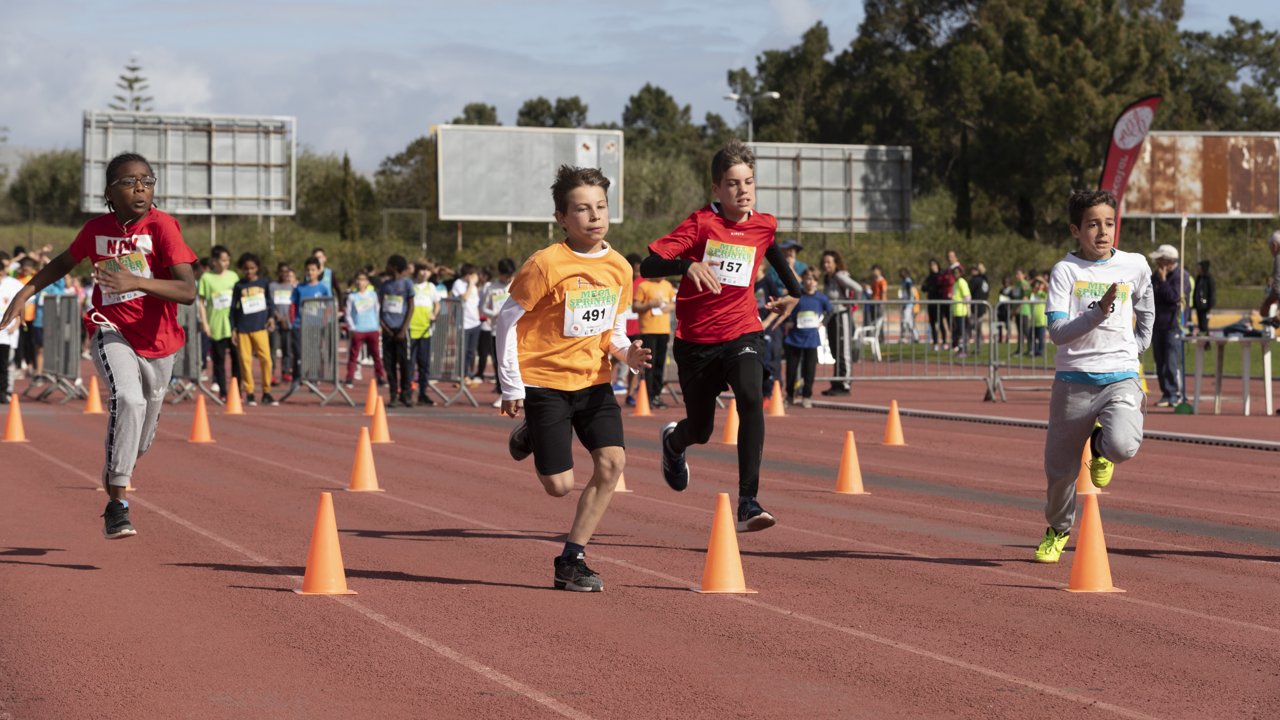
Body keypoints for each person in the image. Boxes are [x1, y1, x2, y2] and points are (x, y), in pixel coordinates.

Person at [1, 152, 198, 539]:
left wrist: (137, 282)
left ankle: (116, 470)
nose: (140, 186)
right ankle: (117, 505)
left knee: (141, 438)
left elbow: (187, 290)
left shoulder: (164, 228)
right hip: (111, 330)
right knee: (129, 400)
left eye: (147, 179)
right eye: (129, 181)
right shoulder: (96, 230)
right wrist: (24, 292)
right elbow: (61, 263)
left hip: (160, 343)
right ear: (110, 191)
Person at [497, 164, 651, 592]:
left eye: (601, 206)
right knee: (559, 486)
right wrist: (511, 386)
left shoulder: (620, 267)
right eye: (582, 209)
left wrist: (628, 354)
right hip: (545, 382)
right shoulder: (545, 264)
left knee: (613, 463)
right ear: (562, 218)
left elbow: (614, 331)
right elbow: (506, 323)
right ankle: (530, 431)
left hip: (594, 380)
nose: (595, 216)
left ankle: (572, 559)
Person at [641, 139, 801, 533]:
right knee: (702, 429)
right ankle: (674, 444)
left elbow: (772, 251)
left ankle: (748, 502)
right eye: (732, 183)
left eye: (748, 181)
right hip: (696, 341)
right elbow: (648, 264)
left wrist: (794, 292)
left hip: (741, 331)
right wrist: (687, 264)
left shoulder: (763, 224)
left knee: (750, 396)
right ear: (716, 189)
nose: (743, 190)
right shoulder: (700, 225)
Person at [1034, 189, 1153, 563]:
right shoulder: (1065, 271)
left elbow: (1147, 307)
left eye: (1109, 224)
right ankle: (1057, 529)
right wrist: (1098, 313)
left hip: (1119, 375)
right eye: (1093, 225)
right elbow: (1058, 332)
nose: (1103, 232)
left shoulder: (1135, 265)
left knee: (1122, 446)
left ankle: (1101, 446)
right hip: (1073, 381)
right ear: (1076, 229)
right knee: (1060, 471)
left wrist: (1137, 346)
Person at [281, 257, 332, 401]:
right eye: (308, 270)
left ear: (318, 271)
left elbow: (329, 306)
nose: (310, 272)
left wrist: (324, 321)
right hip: (299, 325)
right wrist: (292, 320)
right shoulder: (300, 288)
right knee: (298, 352)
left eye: (313, 270)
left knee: (314, 352)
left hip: (315, 325)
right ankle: (297, 378)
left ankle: (313, 378)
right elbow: (293, 305)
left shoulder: (323, 288)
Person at [230, 252, 277, 406]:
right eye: (246, 269)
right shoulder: (239, 286)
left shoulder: (264, 283)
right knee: (245, 361)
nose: (249, 271)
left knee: (266, 360)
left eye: (252, 268)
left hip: (260, 328)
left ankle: (267, 391)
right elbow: (232, 309)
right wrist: (233, 329)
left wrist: (271, 318)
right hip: (243, 329)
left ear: (257, 268)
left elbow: (270, 303)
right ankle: (249, 392)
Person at [1148, 244, 1192, 408]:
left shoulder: (1181, 276)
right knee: (1159, 362)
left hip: (1173, 325)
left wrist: (1164, 281)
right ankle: (1166, 393)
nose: (1157, 263)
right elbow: (1150, 294)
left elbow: (1174, 297)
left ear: (1168, 261)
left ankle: (1175, 393)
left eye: (1160, 260)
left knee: (1171, 361)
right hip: (1158, 324)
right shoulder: (1155, 276)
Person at [197, 245, 241, 402]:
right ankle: (223, 391)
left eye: (228, 259)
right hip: (216, 325)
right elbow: (201, 302)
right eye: (223, 260)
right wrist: (205, 323)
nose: (226, 263)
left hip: (233, 326)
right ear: (214, 261)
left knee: (237, 359)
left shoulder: (234, 276)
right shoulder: (206, 278)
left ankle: (237, 391)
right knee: (219, 361)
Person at [783, 269, 831, 408]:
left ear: (816, 281)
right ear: (803, 280)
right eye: (807, 278)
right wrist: (788, 321)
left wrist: (823, 322)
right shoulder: (797, 296)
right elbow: (786, 310)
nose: (810, 282)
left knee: (809, 370)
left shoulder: (821, 298)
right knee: (791, 369)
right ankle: (790, 396)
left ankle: (806, 396)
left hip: (811, 339)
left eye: (813, 279)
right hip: (794, 338)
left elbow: (830, 310)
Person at [633, 270, 676, 409]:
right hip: (648, 331)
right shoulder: (644, 286)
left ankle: (656, 395)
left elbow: (673, 303)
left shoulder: (667, 285)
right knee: (649, 365)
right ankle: (647, 395)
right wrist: (649, 305)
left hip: (663, 330)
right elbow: (635, 307)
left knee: (660, 364)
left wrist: (666, 307)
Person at [379, 255, 415, 407]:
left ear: (394, 267)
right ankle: (393, 393)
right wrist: (383, 326)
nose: (385, 268)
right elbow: (380, 307)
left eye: (388, 265)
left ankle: (406, 393)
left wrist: (404, 328)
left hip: (402, 329)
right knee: (389, 364)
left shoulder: (407, 284)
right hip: (388, 330)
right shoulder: (385, 285)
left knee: (405, 363)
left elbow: (411, 306)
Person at [480, 259, 516, 407]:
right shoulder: (491, 288)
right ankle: (503, 393)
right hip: (497, 331)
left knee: (516, 362)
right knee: (500, 363)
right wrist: (493, 313)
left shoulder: (516, 285)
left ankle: (518, 393)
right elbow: (482, 308)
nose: (507, 278)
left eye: (510, 275)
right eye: (505, 275)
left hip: (516, 330)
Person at [408, 260, 440, 406]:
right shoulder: (410, 285)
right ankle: (407, 392)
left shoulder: (431, 287)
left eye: (427, 270)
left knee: (424, 364)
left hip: (425, 330)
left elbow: (437, 304)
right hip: (410, 330)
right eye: (422, 269)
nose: (424, 272)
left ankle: (423, 393)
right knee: (409, 363)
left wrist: (434, 314)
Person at [345, 270, 384, 387]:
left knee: (376, 355)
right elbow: (348, 313)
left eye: (362, 279)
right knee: (354, 355)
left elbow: (377, 310)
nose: (359, 282)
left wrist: (378, 326)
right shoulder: (352, 297)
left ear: (367, 282)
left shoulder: (373, 295)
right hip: (358, 329)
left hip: (372, 328)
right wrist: (352, 328)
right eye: (357, 279)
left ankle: (380, 376)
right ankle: (350, 377)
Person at [452, 263, 482, 385]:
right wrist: (470, 284)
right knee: (463, 352)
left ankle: (467, 374)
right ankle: (462, 375)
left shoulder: (474, 286)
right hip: (463, 323)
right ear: (468, 275)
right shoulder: (458, 284)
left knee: (471, 352)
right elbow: (463, 298)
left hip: (475, 323)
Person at [0, 252, 22, 402]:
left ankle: (4, 391)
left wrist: (18, 322)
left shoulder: (13, 283)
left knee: (5, 363)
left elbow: (23, 303)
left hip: (7, 331)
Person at [270, 263, 296, 385]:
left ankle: (286, 372)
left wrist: (286, 319)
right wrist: (279, 317)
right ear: (278, 273)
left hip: (288, 323)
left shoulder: (292, 288)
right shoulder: (272, 286)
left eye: (287, 272)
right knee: (273, 349)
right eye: (282, 272)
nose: (284, 275)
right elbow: (270, 303)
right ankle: (271, 374)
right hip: (275, 323)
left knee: (287, 349)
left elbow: (292, 305)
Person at [922, 258, 951, 350]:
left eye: (934, 265)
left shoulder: (941, 276)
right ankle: (935, 342)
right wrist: (929, 288)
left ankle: (945, 341)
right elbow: (924, 287)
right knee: (932, 323)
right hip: (931, 302)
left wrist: (934, 288)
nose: (933, 267)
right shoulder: (929, 277)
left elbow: (942, 286)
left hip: (939, 301)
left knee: (941, 322)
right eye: (931, 265)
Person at [1258, 231, 1280, 330]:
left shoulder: (1278, 258)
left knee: (1263, 310)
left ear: (1275, 245)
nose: (1270, 250)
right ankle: (1275, 320)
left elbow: (1278, 284)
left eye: (1270, 247)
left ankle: (1275, 320)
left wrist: (1269, 300)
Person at [949, 264, 971, 357]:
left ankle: (964, 350)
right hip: (956, 311)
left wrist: (968, 310)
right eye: (954, 273)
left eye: (957, 273)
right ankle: (960, 349)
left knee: (962, 332)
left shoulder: (962, 282)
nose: (955, 274)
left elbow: (967, 297)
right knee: (958, 332)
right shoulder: (955, 283)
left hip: (962, 311)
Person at [1192, 259, 1215, 336]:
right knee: (1200, 324)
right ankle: (1201, 340)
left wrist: (1209, 306)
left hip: (1206, 306)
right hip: (1199, 306)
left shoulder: (1209, 278)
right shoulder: (1199, 278)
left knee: (1205, 325)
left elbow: (1211, 293)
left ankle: (1206, 342)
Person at [898, 267, 920, 344]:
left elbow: (910, 293)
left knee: (906, 321)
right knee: (909, 322)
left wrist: (908, 302)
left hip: (908, 304)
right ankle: (915, 337)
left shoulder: (908, 281)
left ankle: (905, 337)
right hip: (905, 304)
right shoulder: (903, 281)